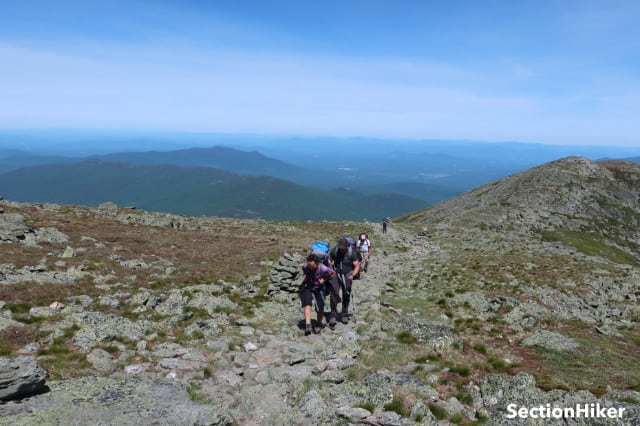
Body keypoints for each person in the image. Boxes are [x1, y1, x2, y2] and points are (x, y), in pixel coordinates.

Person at [328, 237, 361, 327]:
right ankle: (333, 315)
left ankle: (344, 314)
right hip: (336, 274)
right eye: (340, 247)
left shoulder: (352, 252)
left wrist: (352, 275)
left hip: (347, 275)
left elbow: (357, 265)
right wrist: (330, 269)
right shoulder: (335, 250)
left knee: (346, 294)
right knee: (334, 293)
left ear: (347, 246)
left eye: (343, 248)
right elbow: (329, 259)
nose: (342, 249)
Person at [299, 253, 335, 335]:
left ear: (317, 263)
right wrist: (306, 277)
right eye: (309, 265)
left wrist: (324, 279)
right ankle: (308, 325)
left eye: (312, 266)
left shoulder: (323, 268)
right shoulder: (305, 266)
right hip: (308, 286)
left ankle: (319, 323)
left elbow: (333, 273)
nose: (311, 267)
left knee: (320, 308)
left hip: (319, 288)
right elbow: (304, 271)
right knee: (307, 304)